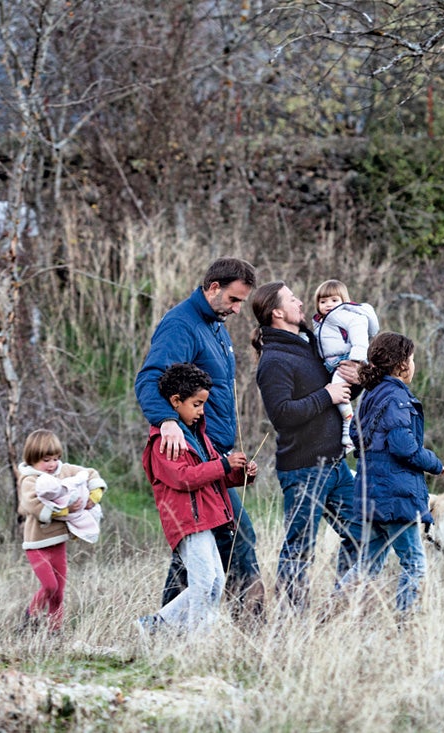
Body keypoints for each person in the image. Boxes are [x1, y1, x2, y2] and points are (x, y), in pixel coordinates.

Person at [134, 257, 265, 620]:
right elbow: (150, 379)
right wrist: (166, 421)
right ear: (212, 288)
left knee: (191, 555)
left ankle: (161, 630)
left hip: (214, 454)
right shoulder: (181, 325)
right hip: (194, 457)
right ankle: (256, 626)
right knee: (238, 538)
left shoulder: (216, 325)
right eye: (234, 300)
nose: (238, 310)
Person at [250, 280, 366, 610]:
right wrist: (325, 395)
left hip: (336, 465)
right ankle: (292, 624)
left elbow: (334, 395)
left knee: (362, 534)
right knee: (299, 550)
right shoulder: (273, 361)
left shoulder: (309, 345)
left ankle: (342, 605)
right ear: (277, 312)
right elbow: (283, 415)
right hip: (303, 470)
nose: (301, 303)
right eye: (292, 299)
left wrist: (351, 385)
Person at [137, 363, 257, 634]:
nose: (202, 411)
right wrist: (224, 465)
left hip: (207, 518)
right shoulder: (164, 441)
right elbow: (184, 478)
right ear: (176, 402)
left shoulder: (199, 436)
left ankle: (153, 626)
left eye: (203, 404)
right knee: (204, 582)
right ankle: (197, 642)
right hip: (187, 522)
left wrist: (240, 474)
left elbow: (214, 477)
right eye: (197, 404)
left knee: (214, 581)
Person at [338, 332, 444, 613]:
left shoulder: (371, 396)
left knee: (367, 565)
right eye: (411, 358)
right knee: (415, 564)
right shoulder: (397, 397)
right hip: (396, 497)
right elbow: (403, 446)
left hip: (372, 495)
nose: (413, 364)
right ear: (401, 365)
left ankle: (333, 612)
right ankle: (405, 621)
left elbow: (355, 436)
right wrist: (434, 464)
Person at [17, 429, 108, 632]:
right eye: (46, 459)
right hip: (37, 545)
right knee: (50, 586)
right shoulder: (29, 479)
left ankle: (54, 632)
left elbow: (91, 474)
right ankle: (29, 620)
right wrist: (65, 510)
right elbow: (33, 505)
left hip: (58, 542)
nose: (52, 464)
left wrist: (94, 497)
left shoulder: (64, 470)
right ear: (33, 459)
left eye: (56, 458)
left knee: (59, 593)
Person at [312, 279, 380, 449]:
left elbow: (359, 334)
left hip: (346, 360)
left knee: (338, 390)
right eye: (323, 301)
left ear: (344, 301)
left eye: (334, 300)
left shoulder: (346, 315)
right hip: (331, 362)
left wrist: (356, 358)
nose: (328, 304)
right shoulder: (321, 322)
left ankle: (348, 429)